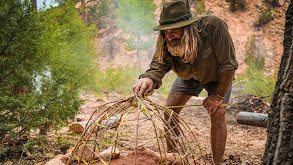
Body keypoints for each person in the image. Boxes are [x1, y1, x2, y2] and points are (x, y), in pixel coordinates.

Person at [132, 0, 238, 164]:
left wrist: (217, 95)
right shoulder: (166, 39)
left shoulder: (213, 26)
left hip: (218, 76)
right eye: (166, 31)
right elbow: (159, 64)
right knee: (170, 111)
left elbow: (228, 65)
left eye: (174, 30)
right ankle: (173, 158)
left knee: (218, 113)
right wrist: (148, 79)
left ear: (188, 26)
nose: (169, 35)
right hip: (188, 76)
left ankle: (217, 163)